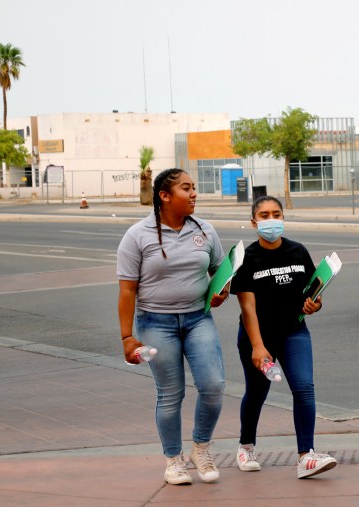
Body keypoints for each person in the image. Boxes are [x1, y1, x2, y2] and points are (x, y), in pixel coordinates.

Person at [117, 168, 230, 486]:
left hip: (198, 319)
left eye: (194, 188)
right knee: (170, 394)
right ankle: (173, 460)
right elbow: (127, 291)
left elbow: (220, 271)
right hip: (156, 323)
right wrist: (128, 337)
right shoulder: (137, 236)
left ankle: (201, 448)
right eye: (186, 188)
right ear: (165, 196)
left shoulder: (205, 230)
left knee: (213, 386)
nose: (194, 193)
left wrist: (221, 292)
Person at [230, 195, 337, 479]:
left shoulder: (298, 252)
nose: (271, 220)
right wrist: (257, 346)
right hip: (257, 337)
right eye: (264, 215)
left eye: (276, 214)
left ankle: (306, 456)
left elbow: (315, 293)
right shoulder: (247, 258)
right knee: (257, 392)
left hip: (294, 331)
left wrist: (315, 304)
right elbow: (247, 307)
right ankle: (246, 446)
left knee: (303, 388)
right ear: (254, 222)